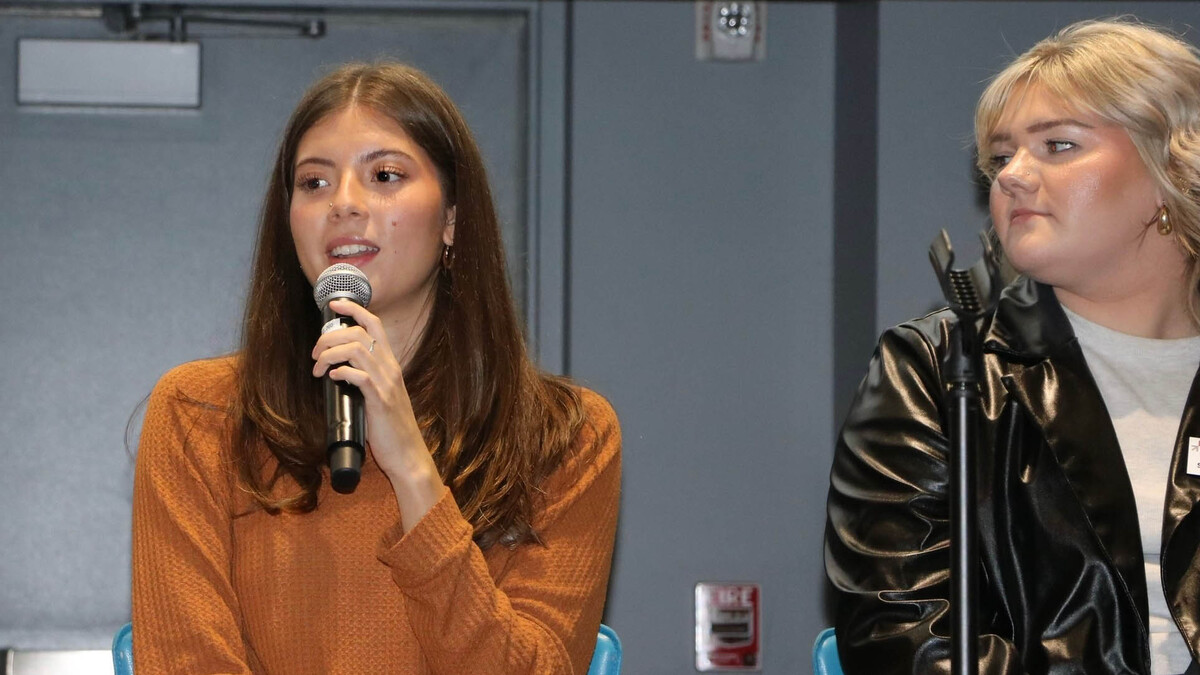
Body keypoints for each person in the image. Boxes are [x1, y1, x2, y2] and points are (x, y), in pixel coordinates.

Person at [131, 62, 621, 674]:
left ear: (451, 220)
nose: (344, 204)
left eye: (384, 175)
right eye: (313, 183)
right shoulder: (197, 414)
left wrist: (413, 468)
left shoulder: (566, 434)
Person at [825, 18, 1200, 675]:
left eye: (1058, 145)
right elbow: (900, 637)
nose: (1012, 177)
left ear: (1175, 166)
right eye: (1001, 157)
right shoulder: (936, 367)